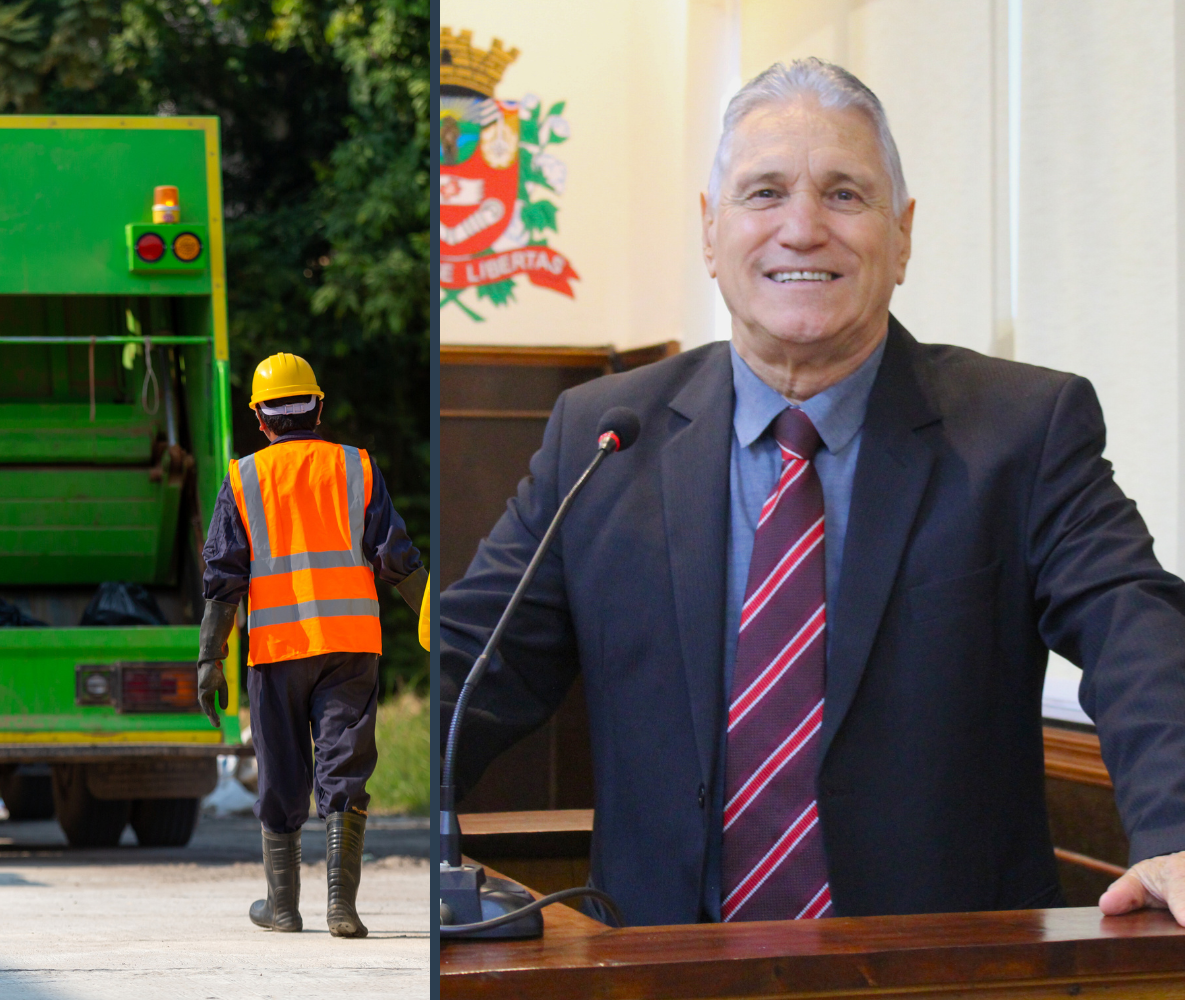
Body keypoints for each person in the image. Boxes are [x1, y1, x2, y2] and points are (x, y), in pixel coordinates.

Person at [439, 58, 1185, 927]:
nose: (802, 229)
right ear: (710, 232)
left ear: (902, 236)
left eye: (843, 194)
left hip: (947, 977)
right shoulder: (600, 436)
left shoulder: (1024, 428)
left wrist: (1177, 828)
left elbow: (1137, 625)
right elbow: (472, 663)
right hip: (656, 975)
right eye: (764, 193)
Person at [197, 352, 426, 937]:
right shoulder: (357, 467)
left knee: (280, 772)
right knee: (343, 766)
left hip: (275, 650)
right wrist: (434, 620)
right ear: (318, 408)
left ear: (261, 419)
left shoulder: (244, 477)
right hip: (350, 644)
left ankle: (282, 907)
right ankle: (341, 908)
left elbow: (224, 579)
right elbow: (397, 560)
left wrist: (209, 659)